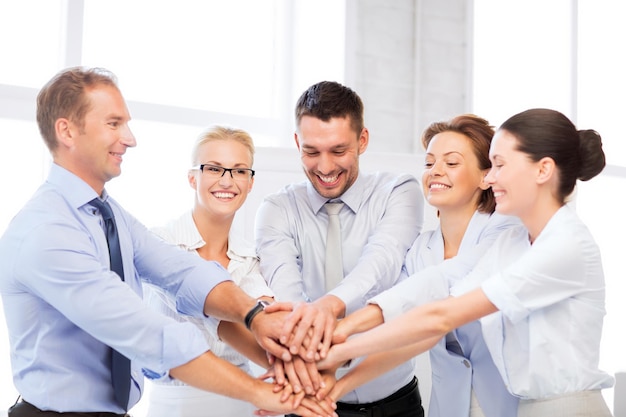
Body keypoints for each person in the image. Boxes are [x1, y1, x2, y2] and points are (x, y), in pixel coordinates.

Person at [0, 67, 335, 417]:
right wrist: (260, 393)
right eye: (114, 124)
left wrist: (254, 316)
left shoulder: (107, 213)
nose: (130, 139)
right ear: (66, 130)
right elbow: (146, 332)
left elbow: (181, 271)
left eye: (239, 170)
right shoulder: (46, 232)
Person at [319, 108, 615, 417]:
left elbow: (441, 316)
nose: (491, 176)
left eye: (499, 165)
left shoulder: (565, 244)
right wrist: (339, 376)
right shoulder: (511, 245)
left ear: (542, 170)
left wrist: (340, 348)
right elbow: (436, 295)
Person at [314, 114, 521, 417]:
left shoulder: (506, 230)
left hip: (510, 404)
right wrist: (336, 388)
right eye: (429, 163)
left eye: (451, 163)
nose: (435, 171)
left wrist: (343, 332)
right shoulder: (420, 251)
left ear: (485, 176)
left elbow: (442, 283)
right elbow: (404, 334)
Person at [255, 80, 425, 416]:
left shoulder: (399, 191)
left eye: (338, 150)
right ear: (296, 142)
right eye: (311, 151)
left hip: (396, 405)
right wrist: (306, 323)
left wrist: (327, 307)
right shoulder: (277, 208)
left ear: (362, 140)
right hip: (307, 403)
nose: (325, 167)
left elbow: (382, 263)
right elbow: (286, 292)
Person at [142, 126, 275, 416]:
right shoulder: (159, 243)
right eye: (214, 168)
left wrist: (286, 363)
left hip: (243, 406)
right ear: (193, 178)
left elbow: (268, 321)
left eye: (239, 171)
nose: (227, 181)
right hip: (174, 406)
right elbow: (213, 311)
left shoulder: (251, 258)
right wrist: (280, 364)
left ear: (250, 183)